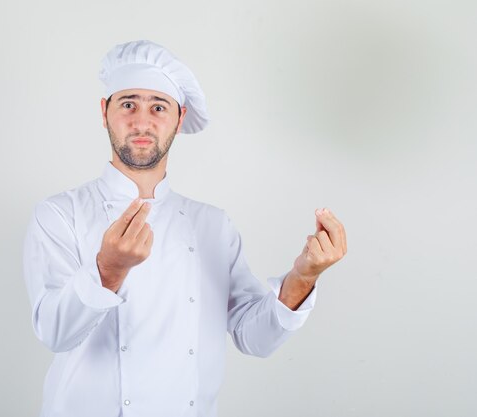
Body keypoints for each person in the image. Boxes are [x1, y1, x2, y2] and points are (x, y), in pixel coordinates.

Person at [23, 39, 347, 417]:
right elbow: (55, 333)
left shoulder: (212, 224)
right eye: (128, 103)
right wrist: (107, 271)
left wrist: (303, 277)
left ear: (178, 119)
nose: (142, 121)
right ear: (104, 111)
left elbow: (254, 337)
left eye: (158, 107)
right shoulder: (60, 214)